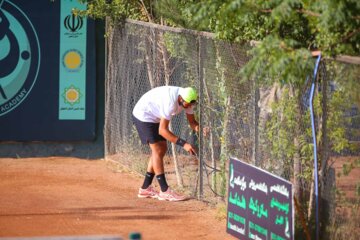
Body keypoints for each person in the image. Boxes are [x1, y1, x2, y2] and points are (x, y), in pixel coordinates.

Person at [132, 86, 199, 202]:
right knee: (157, 150)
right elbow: (162, 130)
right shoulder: (170, 102)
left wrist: (201, 129)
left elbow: (192, 122)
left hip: (154, 116)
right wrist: (184, 144)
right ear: (180, 99)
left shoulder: (188, 101)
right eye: (187, 105)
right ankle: (164, 191)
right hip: (143, 115)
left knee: (162, 148)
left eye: (191, 105)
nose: (188, 107)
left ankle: (145, 188)